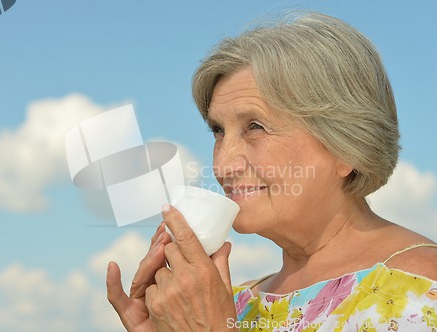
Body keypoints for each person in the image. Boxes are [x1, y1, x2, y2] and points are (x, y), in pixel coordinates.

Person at [106, 12, 437, 331]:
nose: (223, 166)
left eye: (255, 127)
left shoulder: (421, 295)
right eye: (218, 131)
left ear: (346, 146)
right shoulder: (231, 304)